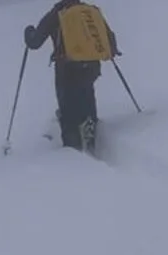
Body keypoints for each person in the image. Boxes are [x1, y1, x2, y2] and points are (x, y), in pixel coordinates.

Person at [24, 0, 120, 153]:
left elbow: (35, 42)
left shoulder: (56, 13)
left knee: (67, 106)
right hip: (92, 66)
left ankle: (72, 148)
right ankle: (90, 130)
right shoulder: (90, 11)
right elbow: (110, 40)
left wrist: (28, 32)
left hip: (67, 68)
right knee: (87, 95)